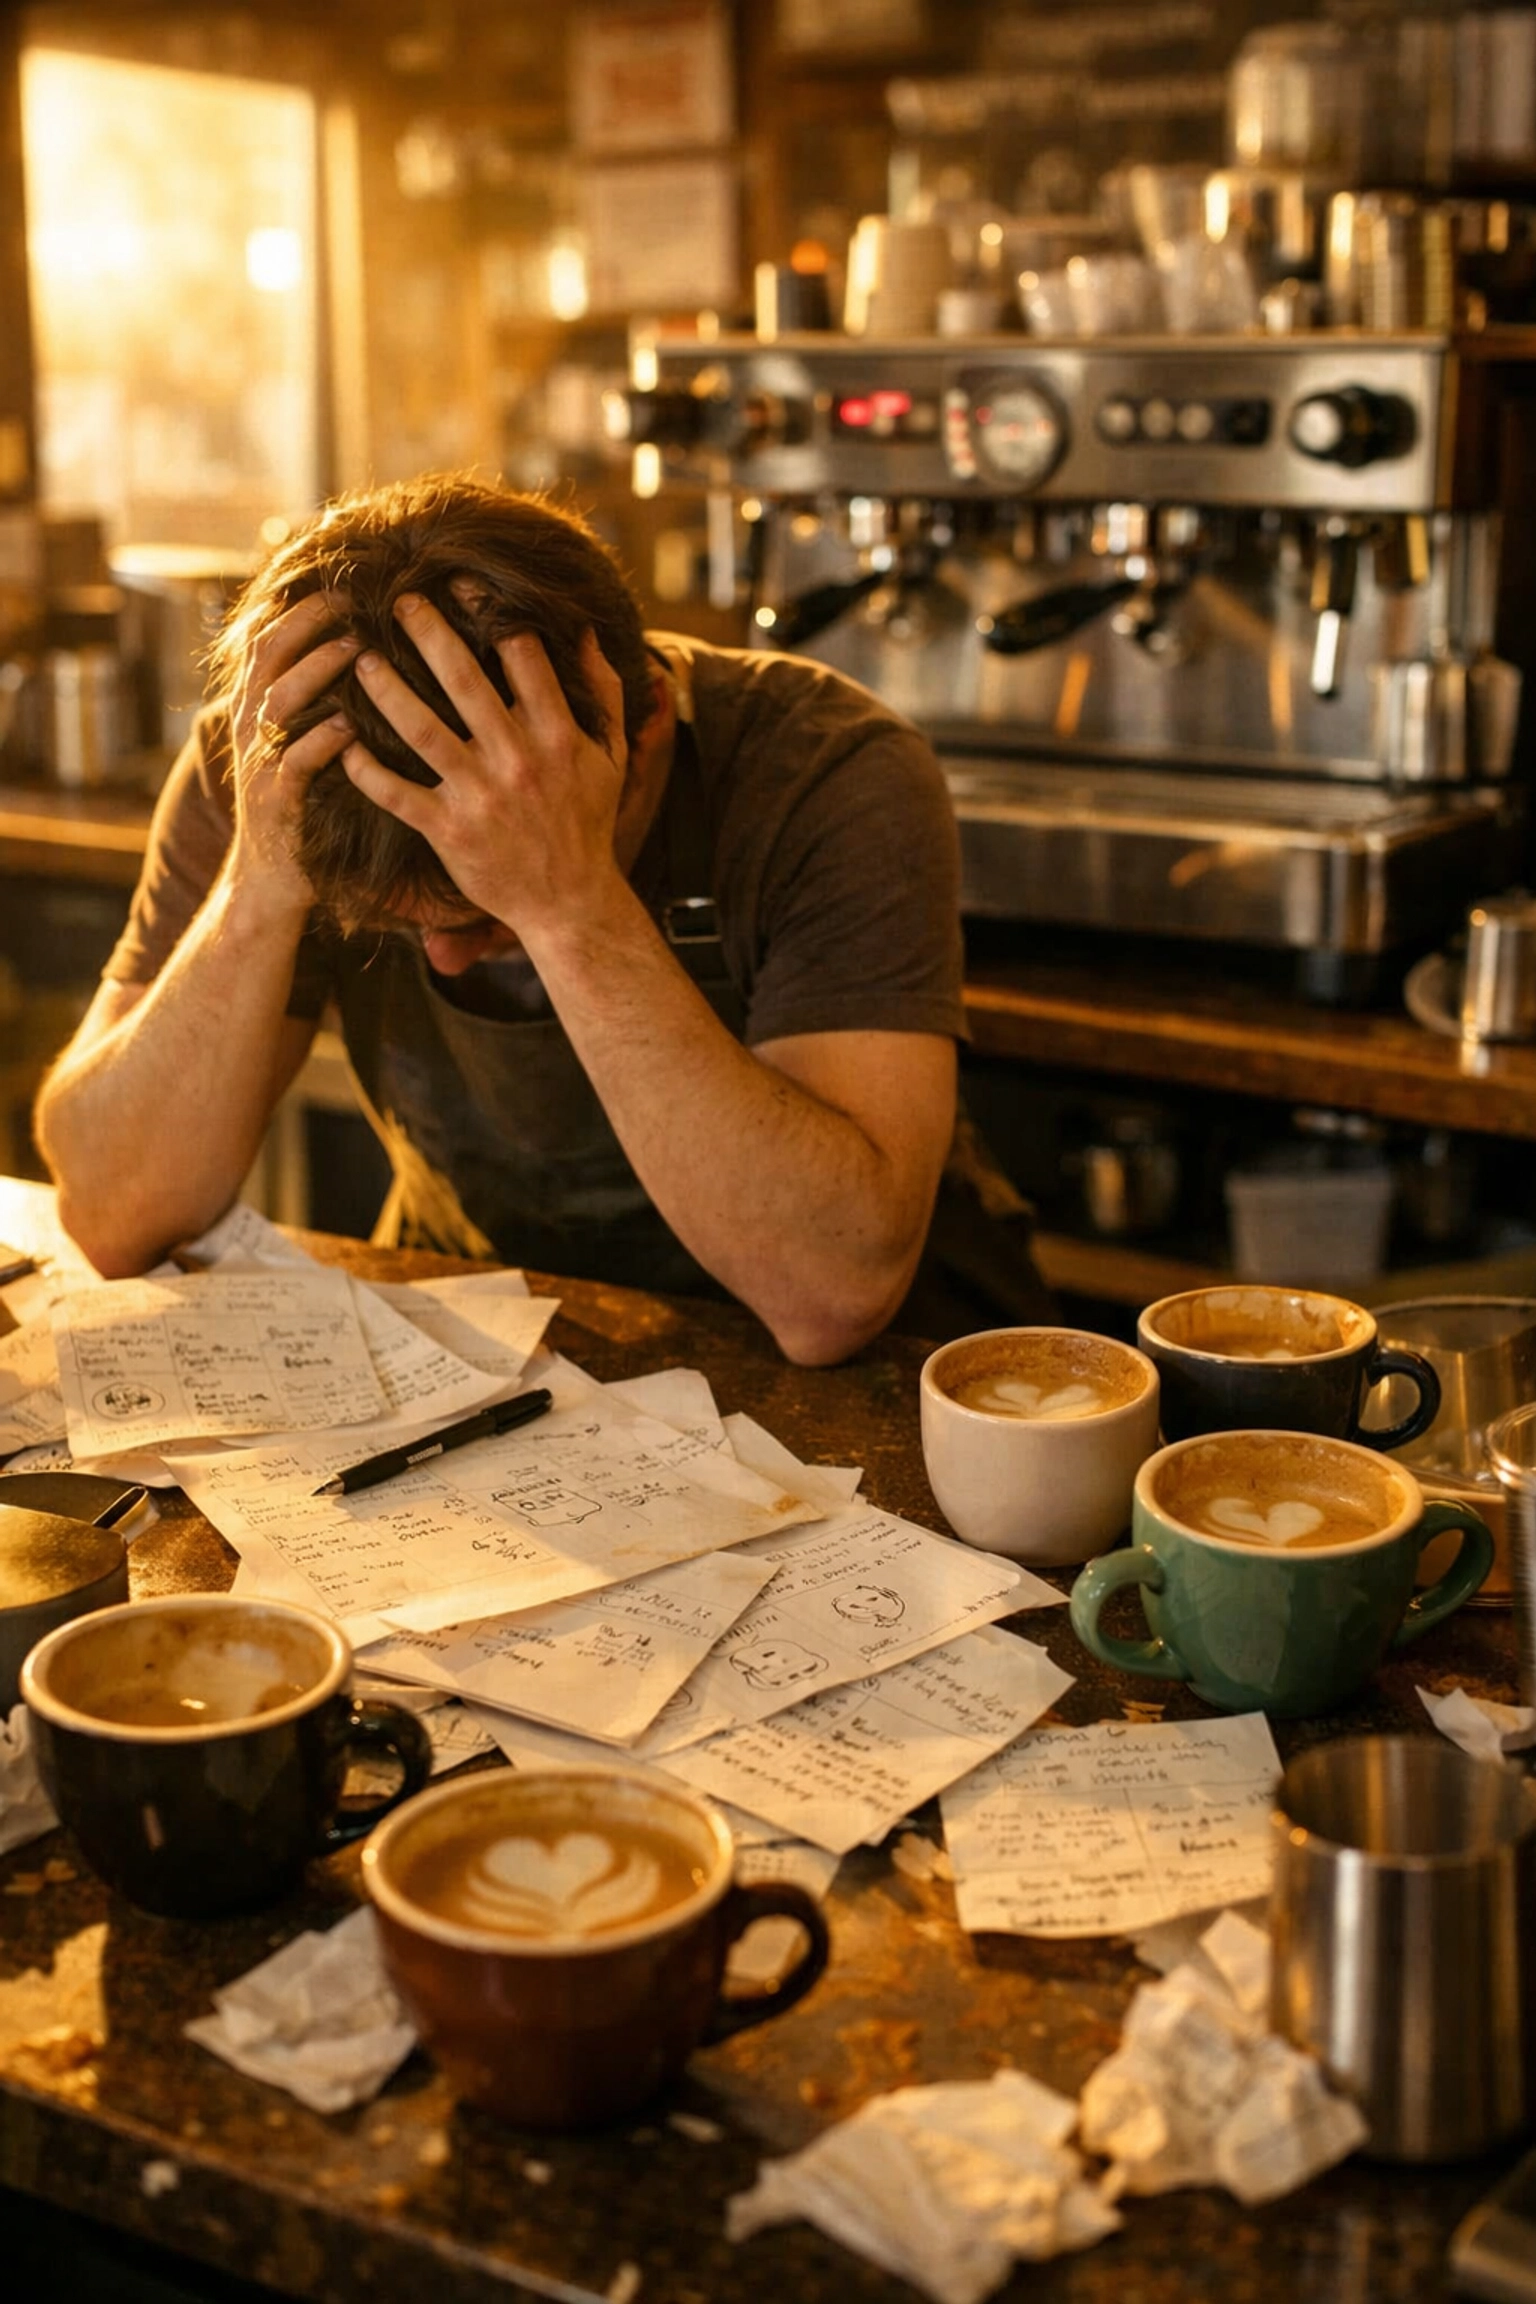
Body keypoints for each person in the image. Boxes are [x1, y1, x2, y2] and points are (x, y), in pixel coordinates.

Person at [37, 475, 1050, 1363]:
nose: (446, 956)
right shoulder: (274, 767)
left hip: (872, 1380)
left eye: (482, 919)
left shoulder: (829, 768)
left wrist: (568, 908)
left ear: (642, 721)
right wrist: (257, 891)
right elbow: (113, 1213)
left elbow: (832, 1297)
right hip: (490, 1347)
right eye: (406, 927)